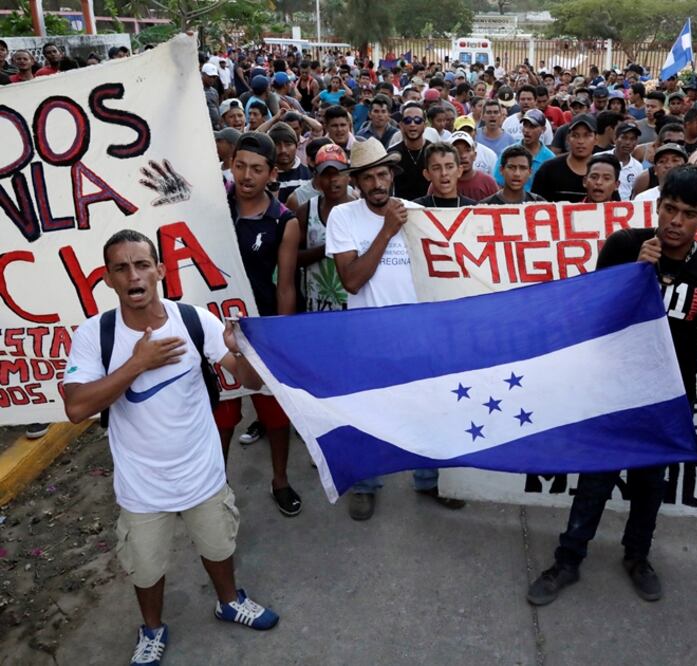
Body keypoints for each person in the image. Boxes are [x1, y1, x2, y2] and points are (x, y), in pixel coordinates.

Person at [62, 230, 279, 666]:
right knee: (145, 567)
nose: (133, 275)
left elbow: (250, 382)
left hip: (202, 472)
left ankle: (229, 601)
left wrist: (249, 354)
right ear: (108, 279)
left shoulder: (195, 320)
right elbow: (76, 407)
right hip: (142, 485)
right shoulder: (94, 335)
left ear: (160, 271)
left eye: (142, 264)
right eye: (121, 268)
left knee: (219, 547)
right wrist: (137, 364)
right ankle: (152, 630)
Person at [526, 165, 697, 606]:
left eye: (688, 214)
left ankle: (638, 557)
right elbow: (596, 321)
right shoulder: (624, 247)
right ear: (656, 207)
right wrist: (634, 276)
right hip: (613, 391)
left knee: (649, 485)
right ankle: (568, 559)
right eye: (669, 209)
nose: (675, 221)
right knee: (595, 480)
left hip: (666, 400)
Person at [324, 140, 466, 520]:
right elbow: (351, 280)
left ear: (392, 175)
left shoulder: (418, 214)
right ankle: (367, 483)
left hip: (419, 335)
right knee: (370, 415)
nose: (376, 183)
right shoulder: (343, 217)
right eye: (367, 177)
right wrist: (386, 231)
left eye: (382, 174)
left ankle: (429, 480)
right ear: (356, 182)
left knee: (427, 411)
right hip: (368, 338)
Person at [215, 132, 303, 516]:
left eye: (256, 169)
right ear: (230, 164)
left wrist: (280, 340)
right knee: (223, 414)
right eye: (240, 166)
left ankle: (280, 480)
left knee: (273, 412)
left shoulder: (283, 221)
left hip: (260, 329)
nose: (247, 176)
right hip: (214, 328)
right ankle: (217, 484)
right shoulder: (212, 208)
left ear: (271, 173)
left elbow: (285, 287)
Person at [296, 143, 356, 313]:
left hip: (353, 306)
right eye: (326, 174)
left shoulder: (360, 210)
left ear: (348, 175)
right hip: (316, 306)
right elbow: (293, 258)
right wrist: (329, 247)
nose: (333, 180)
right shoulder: (306, 212)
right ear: (317, 177)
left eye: (338, 173)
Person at [532, 115, 597, 202]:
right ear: (568, 139)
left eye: (587, 135)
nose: (581, 141)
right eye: (575, 135)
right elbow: (535, 206)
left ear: (596, 140)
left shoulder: (604, 171)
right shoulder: (548, 169)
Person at [494, 109, 554, 192]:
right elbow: (498, 184)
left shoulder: (550, 158)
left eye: (532, 126)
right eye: (525, 125)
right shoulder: (508, 153)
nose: (526, 130)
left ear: (543, 129)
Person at [387, 102, 432, 201]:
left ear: (424, 125)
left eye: (417, 120)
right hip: (402, 209)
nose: (412, 124)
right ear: (401, 125)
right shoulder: (392, 153)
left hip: (429, 211)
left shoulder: (433, 151)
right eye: (407, 120)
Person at [413, 142, 478, 208]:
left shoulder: (473, 209)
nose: (444, 173)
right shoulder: (414, 209)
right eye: (436, 168)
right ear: (427, 174)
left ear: (459, 171)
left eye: (449, 167)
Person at [482, 145, 548, 204]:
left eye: (523, 168)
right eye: (511, 167)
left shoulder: (540, 204)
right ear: (501, 170)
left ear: (530, 172)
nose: (517, 174)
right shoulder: (485, 206)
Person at [446, 132, 498, 201]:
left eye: (467, 150)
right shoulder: (441, 183)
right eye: (457, 151)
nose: (463, 156)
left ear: (475, 155)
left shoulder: (488, 183)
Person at [267, 123, 311, 204]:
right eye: (277, 145)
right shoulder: (264, 177)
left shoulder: (309, 176)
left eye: (288, 144)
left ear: (297, 145)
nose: (283, 150)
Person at [603, 123, 644, 201]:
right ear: (615, 139)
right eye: (624, 138)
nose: (628, 142)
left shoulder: (638, 167)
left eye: (632, 139)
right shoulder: (599, 158)